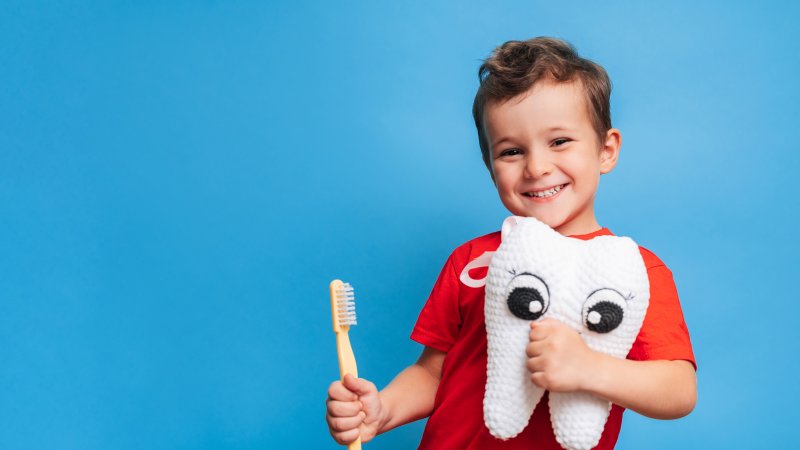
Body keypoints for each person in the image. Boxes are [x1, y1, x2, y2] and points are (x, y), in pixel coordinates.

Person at [325, 37, 697, 449]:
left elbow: (678, 390)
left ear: (606, 151)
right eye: (512, 151)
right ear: (489, 166)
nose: (537, 167)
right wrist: (382, 410)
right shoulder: (472, 262)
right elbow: (433, 373)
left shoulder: (633, 271)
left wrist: (589, 368)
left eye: (560, 142)